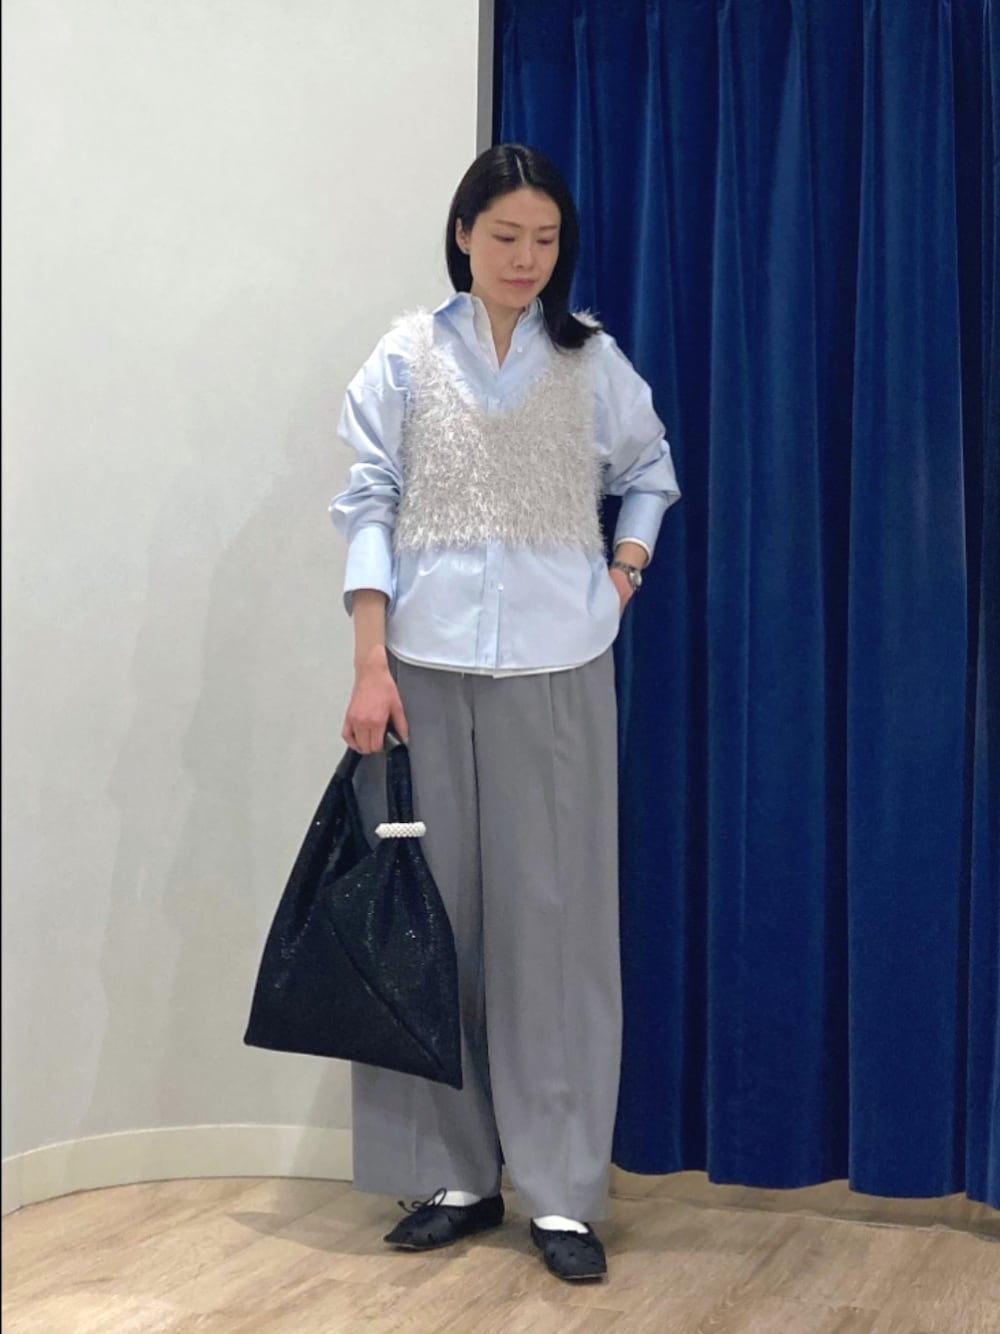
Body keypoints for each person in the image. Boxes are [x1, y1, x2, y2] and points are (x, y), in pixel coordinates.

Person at [330, 143, 680, 1283]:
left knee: (556, 929)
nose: (526, 257)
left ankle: (563, 1192)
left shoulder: (591, 361)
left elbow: (651, 468)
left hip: (559, 667)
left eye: (545, 239)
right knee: (428, 924)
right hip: (419, 670)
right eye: (505, 236)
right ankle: (451, 1176)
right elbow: (367, 503)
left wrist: (620, 574)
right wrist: (369, 663)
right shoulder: (403, 358)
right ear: (463, 235)